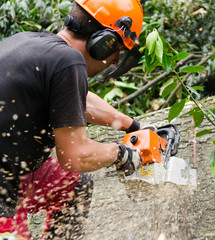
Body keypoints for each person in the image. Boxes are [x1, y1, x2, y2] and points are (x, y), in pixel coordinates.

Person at [0, 0, 146, 238]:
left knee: (73, 184)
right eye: (117, 50)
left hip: (12, 174)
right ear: (104, 43)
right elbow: (74, 157)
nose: (115, 60)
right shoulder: (68, 61)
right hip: (3, 186)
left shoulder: (31, 42)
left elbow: (78, 99)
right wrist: (121, 153)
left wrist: (132, 125)